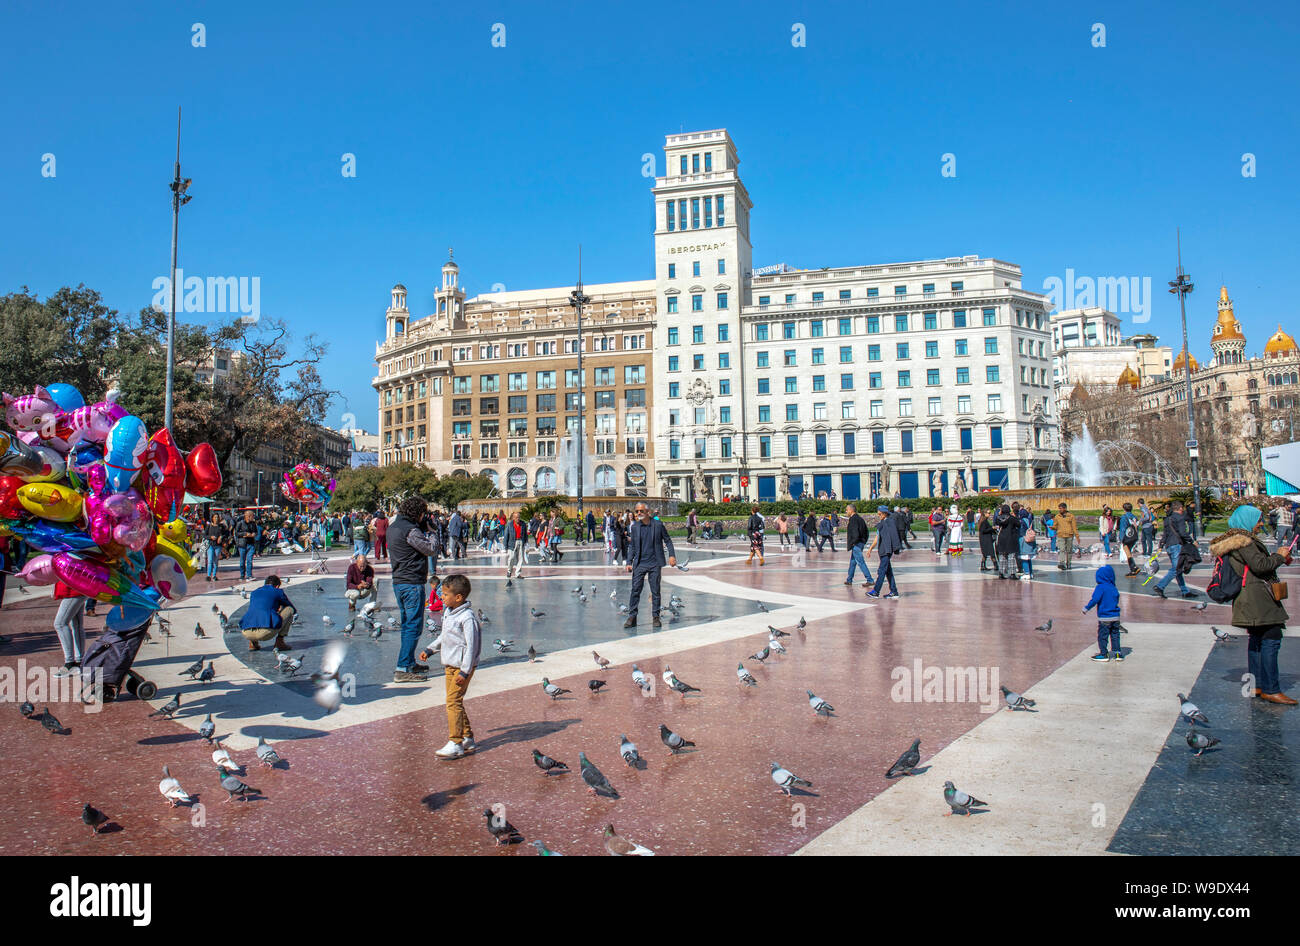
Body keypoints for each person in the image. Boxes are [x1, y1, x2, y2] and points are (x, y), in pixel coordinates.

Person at [1211, 505, 1296, 705]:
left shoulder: (1236, 541)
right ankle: (1271, 689)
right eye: (1258, 520)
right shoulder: (1245, 542)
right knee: (1271, 638)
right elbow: (1260, 566)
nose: (1261, 524)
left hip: (1248, 598)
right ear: (1247, 521)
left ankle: (1257, 685)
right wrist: (1280, 556)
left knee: (1257, 640)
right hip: (1258, 598)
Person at [422, 574, 483, 758]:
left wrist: (465, 671)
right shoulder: (449, 612)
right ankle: (467, 737)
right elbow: (445, 636)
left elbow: (472, 647)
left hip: (461, 668)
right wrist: (431, 649)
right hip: (449, 665)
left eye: (445, 594)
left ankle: (455, 742)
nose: (442, 597)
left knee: (452, 702)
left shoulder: (467, 618)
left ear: (458, 597)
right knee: (455, 701)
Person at [388, 496, 440, 682]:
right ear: (418, 513)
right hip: (412, 583)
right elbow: (431, 549)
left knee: (407, 624)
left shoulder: (393, 526)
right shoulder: (410, 530)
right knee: (413, 626)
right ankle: (402, 668)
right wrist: (432, 532)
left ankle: (408, 662)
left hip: (399, 581)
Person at [624, 502, 677, 628]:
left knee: (655, 591)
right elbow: (632, 546)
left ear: (648, 512)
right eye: (636, 511)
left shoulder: (657, 525)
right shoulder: (635, 527)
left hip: (654, 562)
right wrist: (629, 562)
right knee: (635, 590)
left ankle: (655, 617)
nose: (638, 514)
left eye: (641, 511)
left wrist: (672, 555)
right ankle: (632, 616)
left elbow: (668, 540)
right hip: (640, 563)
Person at [239, 575, 295, 652]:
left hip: (246, 632)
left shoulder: (254, 593)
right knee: (289, 610)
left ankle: (252, 643)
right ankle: (280, 642)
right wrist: (279, 610)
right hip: (265, 633)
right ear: (277, 586)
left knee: (255, 612)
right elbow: (291, 608)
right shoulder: (278, 591)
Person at [1154, 500, 1198, 599]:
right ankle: (1160, 586)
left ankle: (1185, 591)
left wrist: (1161, 546)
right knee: (1176, 569)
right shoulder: (1180, 518)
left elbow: (1165, 534)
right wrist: (1192, 541)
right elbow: (1183, 533)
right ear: (1180, 508)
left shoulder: (1168, 519)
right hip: (1176, 545)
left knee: (1178, 569)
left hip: (1169, 546)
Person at [1083, 565, 1123, 661]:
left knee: (1103, 636)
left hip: (1105, 617)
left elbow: (1095, 599)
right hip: (1115, 617)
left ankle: (1104, 654)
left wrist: (1086, 608)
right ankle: (1118, 653)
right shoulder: (1113, 587)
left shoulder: (1100, 587)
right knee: (1115, 635)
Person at [865, 506, 900, 599]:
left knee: (882, 571)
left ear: (884, 513)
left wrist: (890, 550)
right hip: (883, 550)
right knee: (888, 572)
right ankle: (894, 591)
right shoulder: (883, 523)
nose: (878, 515)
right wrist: (870, 549)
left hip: (886, 551)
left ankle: (876, 591)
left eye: (880, 514)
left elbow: (892, 537)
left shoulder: (889, 522)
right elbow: (878, 537)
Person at [52, 591, 89, 677]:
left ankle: (70, 663)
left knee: (60, 624)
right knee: (77, 624)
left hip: (72, 590)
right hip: (79, 589)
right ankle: (79, 662)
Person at [844, 504, 873, 585]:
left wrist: (853, 542)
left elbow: (855, 532)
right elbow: (866, 531)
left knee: (860, 562)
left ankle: (869, 579)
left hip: (856, 544)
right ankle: (849, 579)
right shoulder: (860, 519)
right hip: (860, 542)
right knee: (853, 561)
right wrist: (864, 541)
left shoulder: (853, 520)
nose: (846, 511)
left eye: (847, 510)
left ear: (851, 510)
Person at [994, 504, 1020, 579]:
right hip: (1010, 538)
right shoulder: (1012, 518)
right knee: (1011, 556)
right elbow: (1018, 524)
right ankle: (1012, 573)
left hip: (1001, 538)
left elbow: (996, 522)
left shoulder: (998, 518)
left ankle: (1001, 573)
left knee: (1002, 556)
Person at [504, 510, 527, 584]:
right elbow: (506, 535)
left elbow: (525, 534)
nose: (518, 519)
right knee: (511, 558)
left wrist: (525, 542)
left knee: (520, 558)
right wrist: (505, 545)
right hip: (512, 542)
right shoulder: (509, 524)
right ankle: (509, 570)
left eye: (519, 517)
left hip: (520, 541)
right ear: (513, 518)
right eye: (516, 517)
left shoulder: (523, 524)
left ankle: (518, 573)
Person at [1117, 502, 1140, 576]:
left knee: (1127, 553)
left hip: (1126, 537)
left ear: (1124, 509)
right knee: (1129, 552)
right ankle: (1132, 569)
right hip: (1133, 536)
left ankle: (1134, 568)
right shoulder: (1134, 517)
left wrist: (1121, 538)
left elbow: (1123, 529)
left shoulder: (1124, 517)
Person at [234, 510, 257, 581]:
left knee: (249, 560)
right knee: (242, 560)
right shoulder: (240, 523)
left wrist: (254, 534)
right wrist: (245, 534)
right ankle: (242, 574)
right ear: (248, 516)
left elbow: (255, 531)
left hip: (251, 543)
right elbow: (236, 533)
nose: (253, 517)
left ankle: (249, 575)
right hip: (242, 544)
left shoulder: (253, 523)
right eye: (252, 516)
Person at [1055, 503, 1078, 571]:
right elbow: (1055, 525)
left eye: (1061, 508)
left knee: (1069, 550)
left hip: (1069, 535)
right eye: (1059, 508)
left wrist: (1077, 535)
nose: (1060, 509)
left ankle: (1069, 563)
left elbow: (1074, 526)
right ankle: (1062, 563)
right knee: (1061, 549)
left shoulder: (1071, 516)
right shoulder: (1057, 516)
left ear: (1065, 508)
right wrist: (1052, 527)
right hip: (1060, 535)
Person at [204, 514, 225, 582]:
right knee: (210, 560)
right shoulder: (209, 526)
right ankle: (208, 575)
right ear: (212, 518)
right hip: (210, 545)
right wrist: (211, 537)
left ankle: (214, 575)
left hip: (218, 545)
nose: (216, 518)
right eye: (215, 517)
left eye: (217, 517)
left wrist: (221, 537)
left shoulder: (221, 526)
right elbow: (204, 535)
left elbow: (226, 533)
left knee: (215, 561)